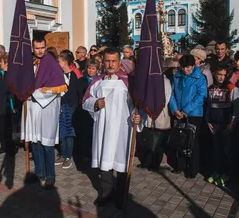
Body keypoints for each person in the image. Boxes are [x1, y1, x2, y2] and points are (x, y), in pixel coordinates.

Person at [82, 48, 141, 209]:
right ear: (103, 62)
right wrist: (94, 103)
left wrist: (139, 116)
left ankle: (122, 195)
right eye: (107, 61)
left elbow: (138, 105)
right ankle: (106, 193)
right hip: (103, 127)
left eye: (114, 61)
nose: (110, 64)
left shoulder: (128, 81)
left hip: (124, 127)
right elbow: (85, 100)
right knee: (105, 160)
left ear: (119, 62)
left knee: (122, 161)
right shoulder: (97, 81)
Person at [21, 38, 67, 189]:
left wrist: (32, 93)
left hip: (47, 108)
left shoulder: (51, 63)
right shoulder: (30, 63)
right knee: (35, 141)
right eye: (37, 48)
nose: (40, 50)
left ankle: (50, 175)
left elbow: (57, 88)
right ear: (33, 48)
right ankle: (39, 172)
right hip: (32, 107)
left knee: (47, 143)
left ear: (46, 47)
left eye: (42, 48)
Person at [169, 55, 207, 178]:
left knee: (192, 141)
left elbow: (201, 96)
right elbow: (172, 94)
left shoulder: (200, 78)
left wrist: (186, 110)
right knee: (180, 139)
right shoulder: (177, 76)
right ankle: (180, 165)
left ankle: (193, 168)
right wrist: (174, 109)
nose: (186, 70)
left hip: (194, 114)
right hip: (179, 113)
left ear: (193, 66)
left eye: (189, 67)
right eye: (184, 67)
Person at [205, 67, 239, 186]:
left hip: (227, 125)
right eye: (219, 74)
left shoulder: (232, 88)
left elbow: (236, 109)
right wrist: (207, 120)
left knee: (227, 151)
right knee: (217, 149)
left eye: (224, 75)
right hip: (214, 124)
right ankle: (218, 171)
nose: (221, 77)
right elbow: (208, 106)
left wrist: (232, 125)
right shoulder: (210, 88)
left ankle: (228, 174)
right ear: (214, 74)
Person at [137, 75, 172, 171]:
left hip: (159, 113)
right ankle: (146, 161)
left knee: (157, 141)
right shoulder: (147, 79)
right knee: (147, 139)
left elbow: (167, 96)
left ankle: (155, 163)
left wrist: (156, 109)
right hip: (147, 113)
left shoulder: (165, 81)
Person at [55, 51, 79, 169]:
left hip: (70, 107)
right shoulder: (59, 75)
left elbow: (73, 93)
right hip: (60, 106)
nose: (57, 64)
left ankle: (68, 156)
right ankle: (63, 153)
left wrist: (64, 100)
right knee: (61, 131)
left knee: (69, 132)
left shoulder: (73, 75)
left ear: (65, 62)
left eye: (59, 62)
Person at [0, 54, 15, 155]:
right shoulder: (2, 74)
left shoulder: (8, 75)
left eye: (2, 62)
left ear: (6, 64)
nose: (0, 63)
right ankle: (4, 146)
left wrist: (12, 106)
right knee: (1, 127)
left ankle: (6, 147)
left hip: (4, 105)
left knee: (4, 127)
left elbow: (5, 91)